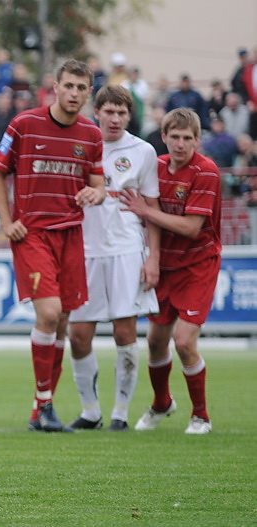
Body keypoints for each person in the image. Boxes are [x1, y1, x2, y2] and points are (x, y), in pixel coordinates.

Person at [0, 59, 106, 432]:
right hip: (33, 234)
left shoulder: (91, 135)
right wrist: (6, 222)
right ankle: (44, 405)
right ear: (55, 87)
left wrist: (96, 193)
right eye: (68, 85)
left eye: (81, 88)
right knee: (50, 314)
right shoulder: (24, 124)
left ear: (89, 93)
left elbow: (98, 183)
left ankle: (42, 409)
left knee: (63, 322)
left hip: (71, 235)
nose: (74, 93)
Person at [120, 108, 221, 435]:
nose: (180, 144)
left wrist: (146, 211)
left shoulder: (206, 171)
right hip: (164, 265)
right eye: (174, 136)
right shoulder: (156, 167)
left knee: (184, 341)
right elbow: (143, 213)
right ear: (163, 137)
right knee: (155, 341)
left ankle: (201, 416)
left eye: (187, 138)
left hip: (197, 265)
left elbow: (191, 228)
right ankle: (162, 403)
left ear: (197, 140)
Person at [67, 85, 161, 431]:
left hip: (126, 249)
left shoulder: (143, 151)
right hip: (85, 250)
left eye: (122, 112)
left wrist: (153, 258)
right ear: (97, 112)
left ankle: (120, 413)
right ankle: (91, 411)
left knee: (125, 332)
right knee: (78, 334)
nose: (115, 118)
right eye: (109, 111)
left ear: (129, 115)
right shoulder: (79, 144)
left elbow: (152, 208)